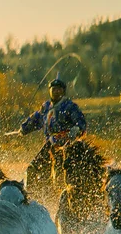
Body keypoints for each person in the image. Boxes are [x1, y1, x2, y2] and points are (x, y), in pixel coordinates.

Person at [17, 74, 87, 210]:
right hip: (50, 145)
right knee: (32, 169)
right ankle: (32, 202)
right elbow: (36, 119)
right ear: (50, 91)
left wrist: (76, 128)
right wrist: (24, 128)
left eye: (59, 89)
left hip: (66, 144)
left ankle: (62, 202)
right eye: (53, 89)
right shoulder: (46, 107)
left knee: (60, 175)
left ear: (63, 91)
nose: (56, 91)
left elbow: (81, 122)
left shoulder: (70, 106)